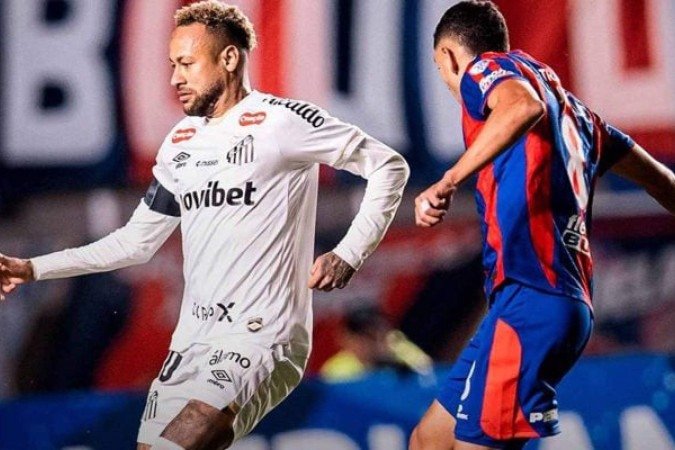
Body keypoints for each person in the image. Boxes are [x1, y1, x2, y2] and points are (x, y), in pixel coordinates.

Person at [0, 1, 409, 449]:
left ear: (229, 58)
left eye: (187, 63)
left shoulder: (284, 122)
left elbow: (388, 167)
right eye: (172, 65)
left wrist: (349, 252)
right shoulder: (180, 144)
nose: (175, 78)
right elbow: (134, 243)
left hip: (261, 337)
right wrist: (33, 267)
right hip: (191, 346)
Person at [410, 2, 675, 450]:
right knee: (429, 440)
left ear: (450, 57)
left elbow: (521, 106)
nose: (451, 86)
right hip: (546, 304)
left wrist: (449, 179)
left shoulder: (483, 70)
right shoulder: (581, 116)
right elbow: (662, 181)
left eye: (442, 72)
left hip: (533, 298)